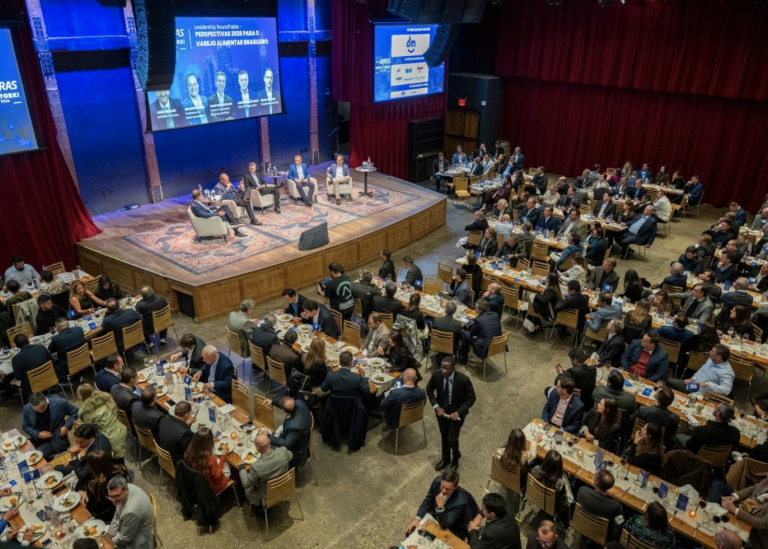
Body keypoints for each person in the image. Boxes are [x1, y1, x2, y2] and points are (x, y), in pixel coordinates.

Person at [427, 357, 476, 471]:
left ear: (453, 368)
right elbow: (429, 390)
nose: (444, 371)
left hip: (456, 413)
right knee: (444, 436)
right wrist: (436, 407)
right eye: (442, 368)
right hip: (442, 412)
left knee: (452, 438)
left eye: (447, 369)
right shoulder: (436, 375)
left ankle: (456, 457)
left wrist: (458, 412)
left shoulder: (463, 380)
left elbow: (471, 398)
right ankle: (446, 458)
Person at [406, 470, 479, 541]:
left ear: (455, 487)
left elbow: (445, 525)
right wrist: (417, 519)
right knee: (411, 532)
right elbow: (427, 502)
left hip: (449, 526)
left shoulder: (461, 501)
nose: (443, 491)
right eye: (442, 486)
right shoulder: (437, 482)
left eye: (448, 489)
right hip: (434, 516)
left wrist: (440, 507)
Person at [237, 433, 292, 511]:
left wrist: (241, 468)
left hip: (267, 494)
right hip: (285, 486)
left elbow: (246, 484)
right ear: (269, 441)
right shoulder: (283, 451)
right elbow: (291, 455)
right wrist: (274, 449)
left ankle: (258, 506)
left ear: (257, 449)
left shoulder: (257, 467)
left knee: (248, 489)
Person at [77, 383, 128, 461]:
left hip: (107, 437)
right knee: (120, 459)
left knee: (112, 461)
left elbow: (91, 429)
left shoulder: (86, 412)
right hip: (120, 429)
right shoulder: (107, 398)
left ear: (81, 396)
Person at [22, 392, 79, 459]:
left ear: (45, 400)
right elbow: (25, 426)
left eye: (43, 407)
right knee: (22, 451)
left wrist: (66, 426)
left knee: (37, 456)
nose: (40, 411)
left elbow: (75, 412)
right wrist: (37, 434)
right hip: (37, 438)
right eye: (37, 410)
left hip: (55, 439)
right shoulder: (27, 408)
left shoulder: (60, 403)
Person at [54, 423, 112, 488]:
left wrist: (74, 457)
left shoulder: (95, 454)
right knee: (58, 468)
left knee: (58, 469)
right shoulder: (100, 436)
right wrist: (73, 460)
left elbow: (82, 475)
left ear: (91, 438)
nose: (78, 445)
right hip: (97, 466)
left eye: (81, 442)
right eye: (76, 441)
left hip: (95, 479)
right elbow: (87, 456)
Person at [80, 450, 130, 523]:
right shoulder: (121, 470)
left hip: (109, 518)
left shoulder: (97, 485)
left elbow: (93, 510)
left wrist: (84, 496)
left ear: (92, 467)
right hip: (125, 506)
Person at [262, 396, 312, 469]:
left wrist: (268, 436)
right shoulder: (299, 402)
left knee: (269, 445)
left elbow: (287, 444)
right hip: (301, 429)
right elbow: (287, 406)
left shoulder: (295, 427)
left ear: (285, 411)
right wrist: (273, 402)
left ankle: (290, 470)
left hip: (297, 446)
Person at [105, 476, 155, 549]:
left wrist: (110, 543)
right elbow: (117, 513)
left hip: (141, 542)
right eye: (110, 496)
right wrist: (110, 534)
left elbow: (125, 538)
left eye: (116, 496)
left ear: (126, 490)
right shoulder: (126, 487)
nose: (113, 501)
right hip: (131, 527)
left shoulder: (130, 511)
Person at [183, 426, 229, 493]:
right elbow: (217, 476)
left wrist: (209, 443)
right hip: (213, 487)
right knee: (227, 464)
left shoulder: (189, 452)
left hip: (200, 484)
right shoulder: (210, 458)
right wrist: (223, 457)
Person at [577, 470, 623, 537]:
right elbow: (619, 515)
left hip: (582, 524)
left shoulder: (583, 491)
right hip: (602, 534)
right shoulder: (615, 506)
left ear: (596, 482)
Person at [531, 453, 570, 525]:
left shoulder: (535, 469)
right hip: (551, 506)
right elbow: (562, 503)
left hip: (535, 497)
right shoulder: (559, 483)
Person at [12, 334, 53, 400]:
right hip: (50, 377)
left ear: (16, 346)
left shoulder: (16, 359)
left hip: (32, 386)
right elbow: (51, 361)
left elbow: (19, 377)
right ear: (28, 341)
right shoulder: (41, 347)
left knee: (13, 382)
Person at [462, 299, 502, 363]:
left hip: (484, 348)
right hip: (498, 345)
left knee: (464, 333)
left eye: (476, 309)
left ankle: (464, 359)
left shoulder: (479, 320)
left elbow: (472, 334)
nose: (476, 310)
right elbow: (487, 321)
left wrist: (470, 323)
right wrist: (475, 318)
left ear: (480, 310)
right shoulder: (496, 315)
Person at [158, 400, 194, 466]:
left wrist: (185, 424)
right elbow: (190, 453)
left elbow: (175, 429)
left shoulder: (163, 420)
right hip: (178, 463)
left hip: (164, 458)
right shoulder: (184, 433)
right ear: (186, 415)